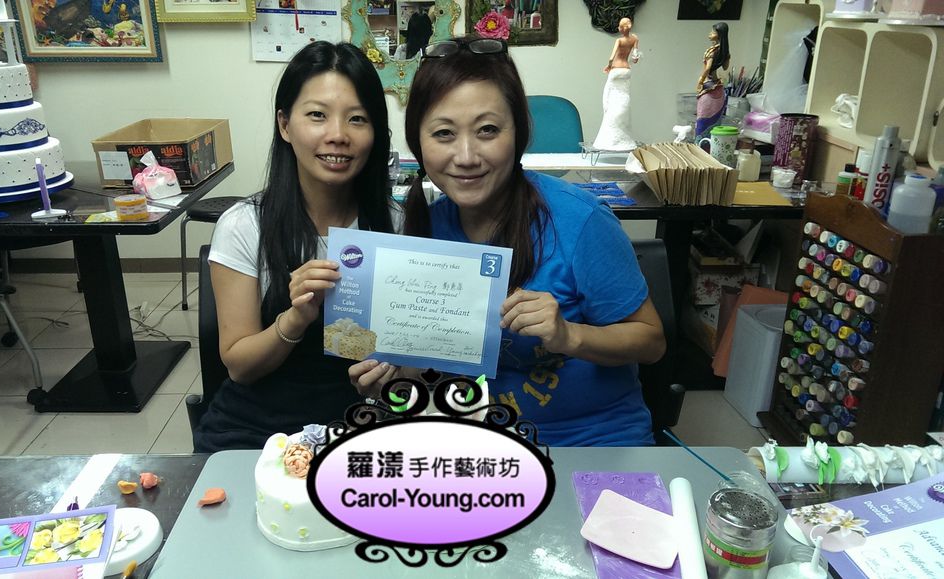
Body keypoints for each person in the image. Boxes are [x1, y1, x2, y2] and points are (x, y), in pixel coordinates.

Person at [351, 37, 666, 447]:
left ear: (518, 132)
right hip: (480, 444)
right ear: (418, 142)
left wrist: (568, 335)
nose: (466, 156)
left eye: (487, 130)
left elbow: (651, 342)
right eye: (443, 133)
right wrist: (393, 376)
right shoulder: (426, 229)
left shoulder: (580, 220)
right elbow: (434, 364)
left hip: (592, 443)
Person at [193, 41, 400, 452]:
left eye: (357, 119)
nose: (338, 135)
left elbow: (411, 351)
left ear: (376, 132)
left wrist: (394, 369)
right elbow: (239, 367)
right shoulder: (245, 225)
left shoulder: (396, 224)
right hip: (257, 431)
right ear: (285, 125)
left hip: (360, 425)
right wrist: (295, 318)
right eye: (317, 115)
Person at [591, 17, 640, 152]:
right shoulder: (634, 39)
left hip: (616, 69)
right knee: (624, 96)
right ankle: (622, 133)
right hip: (626, 70)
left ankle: (609, 136)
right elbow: (635, 57)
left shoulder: (619, 41)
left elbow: (611, 57)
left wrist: (608, 66)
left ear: (622, 28)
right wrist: (634, 58)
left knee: (609, 97)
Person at [696, 22, 731, 141]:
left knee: (702, 120)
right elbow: (725, 67)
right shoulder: (723, 51)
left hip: (708, 88)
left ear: (719, 35)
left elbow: (708, 68)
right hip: (718, 87)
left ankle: (701, 144)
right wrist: (726, 55)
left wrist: (700, 80)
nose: (710, 34)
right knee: (716, 121)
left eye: (713, 32)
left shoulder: (712, 51)